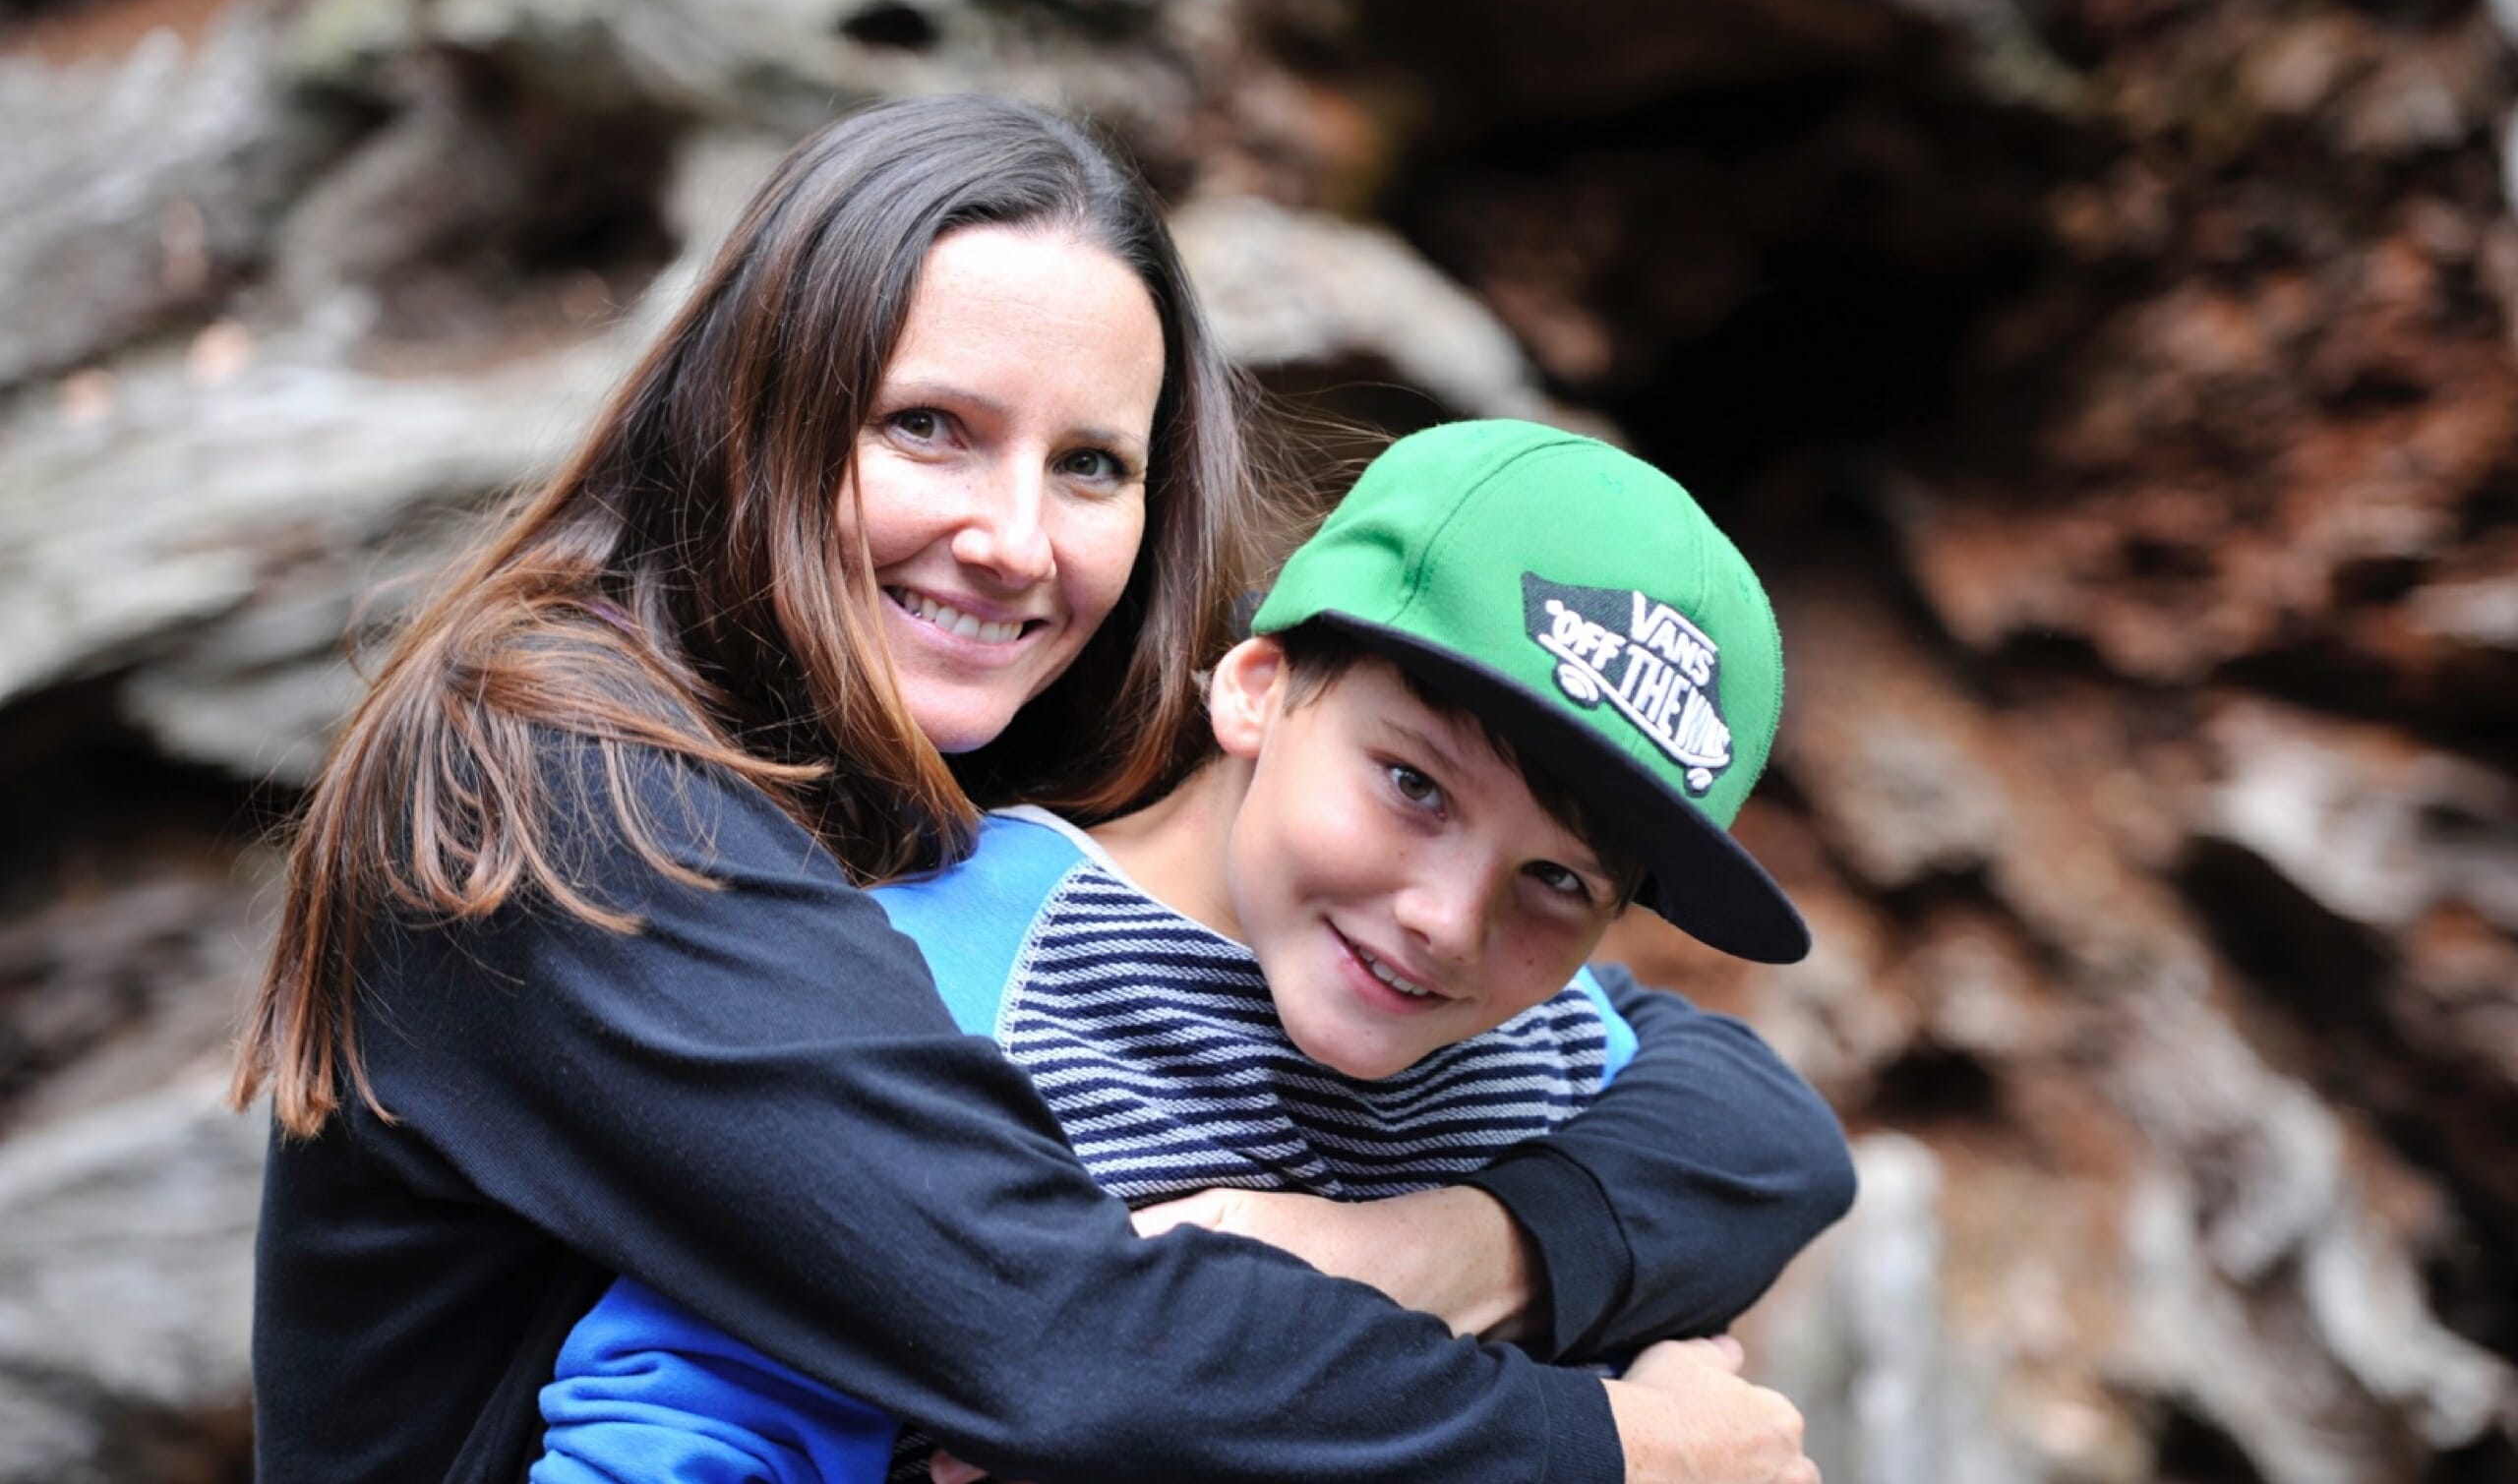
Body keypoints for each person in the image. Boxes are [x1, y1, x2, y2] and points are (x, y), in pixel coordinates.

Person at [231, 93, 1848, 1484]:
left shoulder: (1050, 753)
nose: (1016, 540)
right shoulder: (557, 785)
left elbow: (1747, 1117)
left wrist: (1460, 1250)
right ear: (762, 413)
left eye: (1091, 465)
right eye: (929, 428)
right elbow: (1049, 1329)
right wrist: (1618, 1452)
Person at [532, 418, 1845, 1484]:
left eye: (1558, 879)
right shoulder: (925, 988)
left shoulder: (1558, 1043)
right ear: (1258, 686)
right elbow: (688, 1430)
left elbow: (1774, 1146)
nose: (1450, 918)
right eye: (1414, 786)